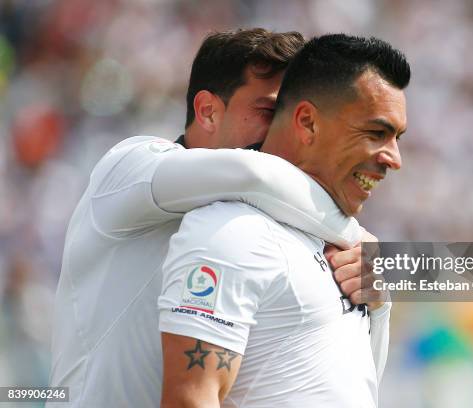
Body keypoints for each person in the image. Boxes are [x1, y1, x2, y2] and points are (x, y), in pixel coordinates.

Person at [49, 28, 367, 407]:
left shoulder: (279, 219)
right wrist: (357, 234)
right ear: (208, 111)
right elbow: (254, 175)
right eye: (269, 111)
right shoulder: (128, 168)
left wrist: (381, 272)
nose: (285, 131)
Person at [159, 33, 410, 408]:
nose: (394, 158)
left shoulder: (345, 245)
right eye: (376, 133)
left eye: (397, 138)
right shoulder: (233, 232)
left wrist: (379, 306)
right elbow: (189, 399)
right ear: (307, 122)